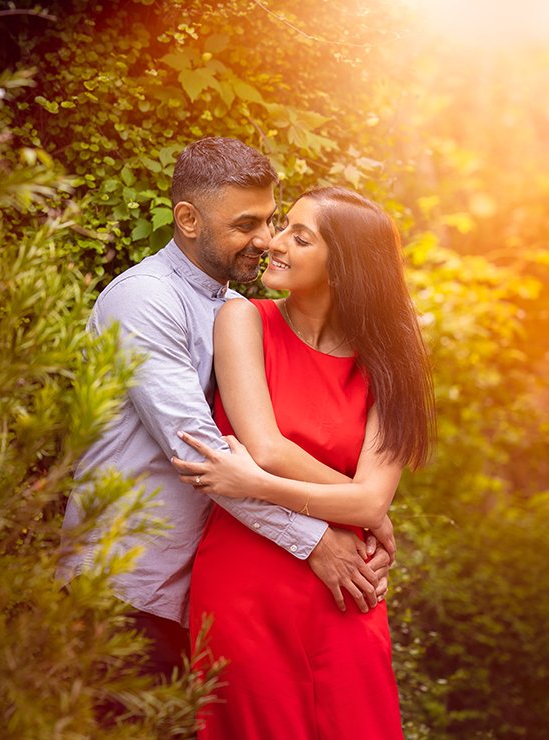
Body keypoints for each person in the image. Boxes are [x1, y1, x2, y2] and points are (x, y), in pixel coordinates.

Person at [58, 138, 394, 688]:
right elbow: (201, 454)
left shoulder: (240, 312)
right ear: (188, 219)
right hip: (122, 586)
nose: (265, 240)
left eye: (270, 220)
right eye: (246, 224)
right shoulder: (145, 300)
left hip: (198, 600)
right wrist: (320, 539)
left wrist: (367, 507)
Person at [172, 186, 436, 738]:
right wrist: (364, 508)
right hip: (246, 583)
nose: (273, 242)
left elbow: (363, 495)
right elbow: (266, 447)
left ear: (344, 266)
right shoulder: (243, 320)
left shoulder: (389, 362)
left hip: (347, 592)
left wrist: (259, 484)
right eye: (284, 226)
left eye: (300, 235)